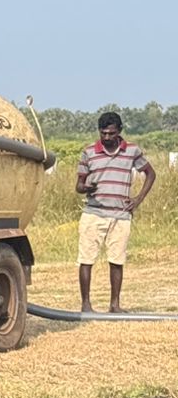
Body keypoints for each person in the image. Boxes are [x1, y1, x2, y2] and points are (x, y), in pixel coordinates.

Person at [77, 111, 156, 313]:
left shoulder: (132, 151)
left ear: (119, 131)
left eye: (111, 133)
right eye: (103, 133)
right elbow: (78, 186)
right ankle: (86, 305)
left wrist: (137, 199)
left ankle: (115, 305)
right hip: (93, 213)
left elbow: (150, 174)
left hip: (120, 215)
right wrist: (87, 188)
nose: (107, 138)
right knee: (86, 259)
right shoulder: (89, 152)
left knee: (117, 260)